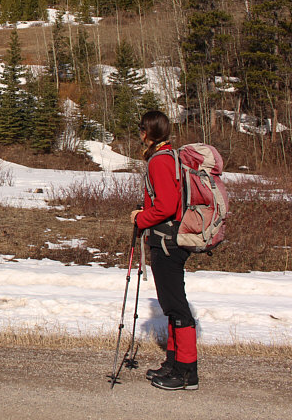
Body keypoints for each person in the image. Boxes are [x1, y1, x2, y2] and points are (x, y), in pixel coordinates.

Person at [130, 110, 199, 391]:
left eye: (141, 130)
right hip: (171, 239)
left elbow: (167, 206)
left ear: (146, 132)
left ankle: (187, 373)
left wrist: (140, 218)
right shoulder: (170, 156)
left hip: (167, 241)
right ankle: (174, 363)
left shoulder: (159, 160)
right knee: (173, 307)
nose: (139, 135)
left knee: (176, 307)